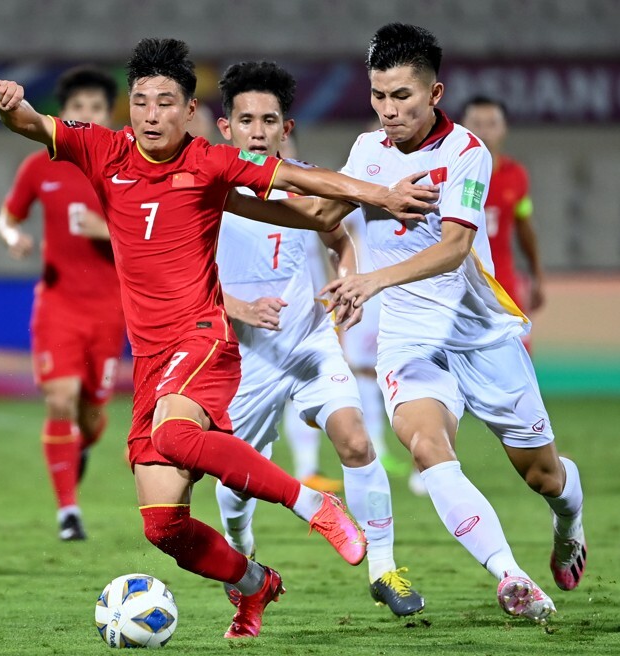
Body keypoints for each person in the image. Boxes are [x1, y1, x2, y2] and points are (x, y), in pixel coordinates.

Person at [0, 38, 437, 639]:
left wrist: (382, 195)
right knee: (162, 526)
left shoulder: (208, 162)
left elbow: (300, 177)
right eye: (142, 102)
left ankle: (315, 506)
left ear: (188, 110)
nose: (151, 114)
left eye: (165, 103)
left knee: (176, 436)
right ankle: (255, 586)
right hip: (150, 358)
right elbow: (33, 123)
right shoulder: (103, 150)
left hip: (203, 339)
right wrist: (7, 105)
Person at [237, 23, 587, 625]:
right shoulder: (368, 150)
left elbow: (454, 248)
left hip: (482, 334)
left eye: (402, 96)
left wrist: (370, 281)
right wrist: (222, 194)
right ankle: (510, 575)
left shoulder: (466, 154)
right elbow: (321, 211)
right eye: (378, 95)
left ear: (434, 92)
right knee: (428, 448)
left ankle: (568, 525)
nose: (388, 110)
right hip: (409, 339)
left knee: (545, 476)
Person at [212, 60, 424, 617]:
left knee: (355, 440)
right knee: (237, 483)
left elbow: (337, 234)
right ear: (224, 127)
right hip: (243, 357)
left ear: (287, 128)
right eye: (246, 120)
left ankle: (384, 568)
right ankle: (242, 556)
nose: (257, 131)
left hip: (308, 341)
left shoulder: (306, 181)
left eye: (269, 121)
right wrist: (240, 307)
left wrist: (347, 276)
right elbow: (183, 281)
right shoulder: (207, 193)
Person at [0, 66, 126, 542]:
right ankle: (68, 511)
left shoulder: (121, 166)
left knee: (91, 414)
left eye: (96, 109)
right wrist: (13, 238)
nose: (87, 117)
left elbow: (151, 234)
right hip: (57, 304)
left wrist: (103, 231)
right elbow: (8, 218)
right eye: (78, 109)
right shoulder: (39, 166)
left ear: (107, 115)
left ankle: (82, 446)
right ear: (62, 114)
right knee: (60, 398)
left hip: (110, 310)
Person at [460, 96, 545, 347]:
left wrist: (537, 274)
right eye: (476, 123)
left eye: (492, 123)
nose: (484, 131)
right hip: (460, 285)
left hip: (503, 283)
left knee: (518, 356)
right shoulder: (450, 174)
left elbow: (524, 224)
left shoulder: (516, 176)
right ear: (463, 126)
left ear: (504, 128)